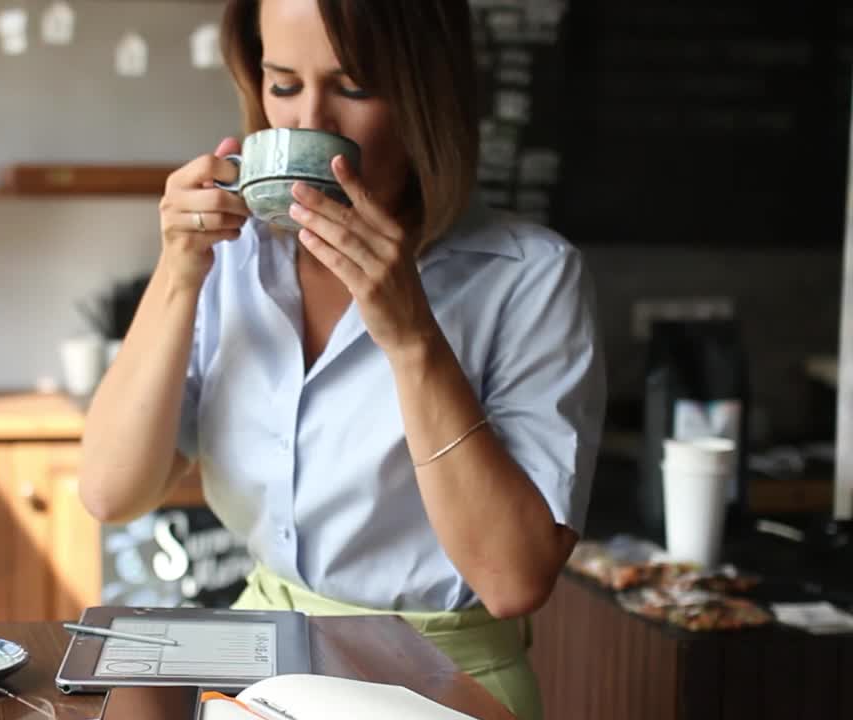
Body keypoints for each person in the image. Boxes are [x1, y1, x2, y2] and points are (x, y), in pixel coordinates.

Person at [78, 1, 605, 717]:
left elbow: (512, 579)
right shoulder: (233, 262)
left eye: (353, 87)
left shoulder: (530, 277)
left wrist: (411, 334)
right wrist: (176, 272)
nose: (305, 123)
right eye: (283, 85)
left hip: (442, 677)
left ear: (427, 98)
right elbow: (112, 493)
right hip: (256, 660)